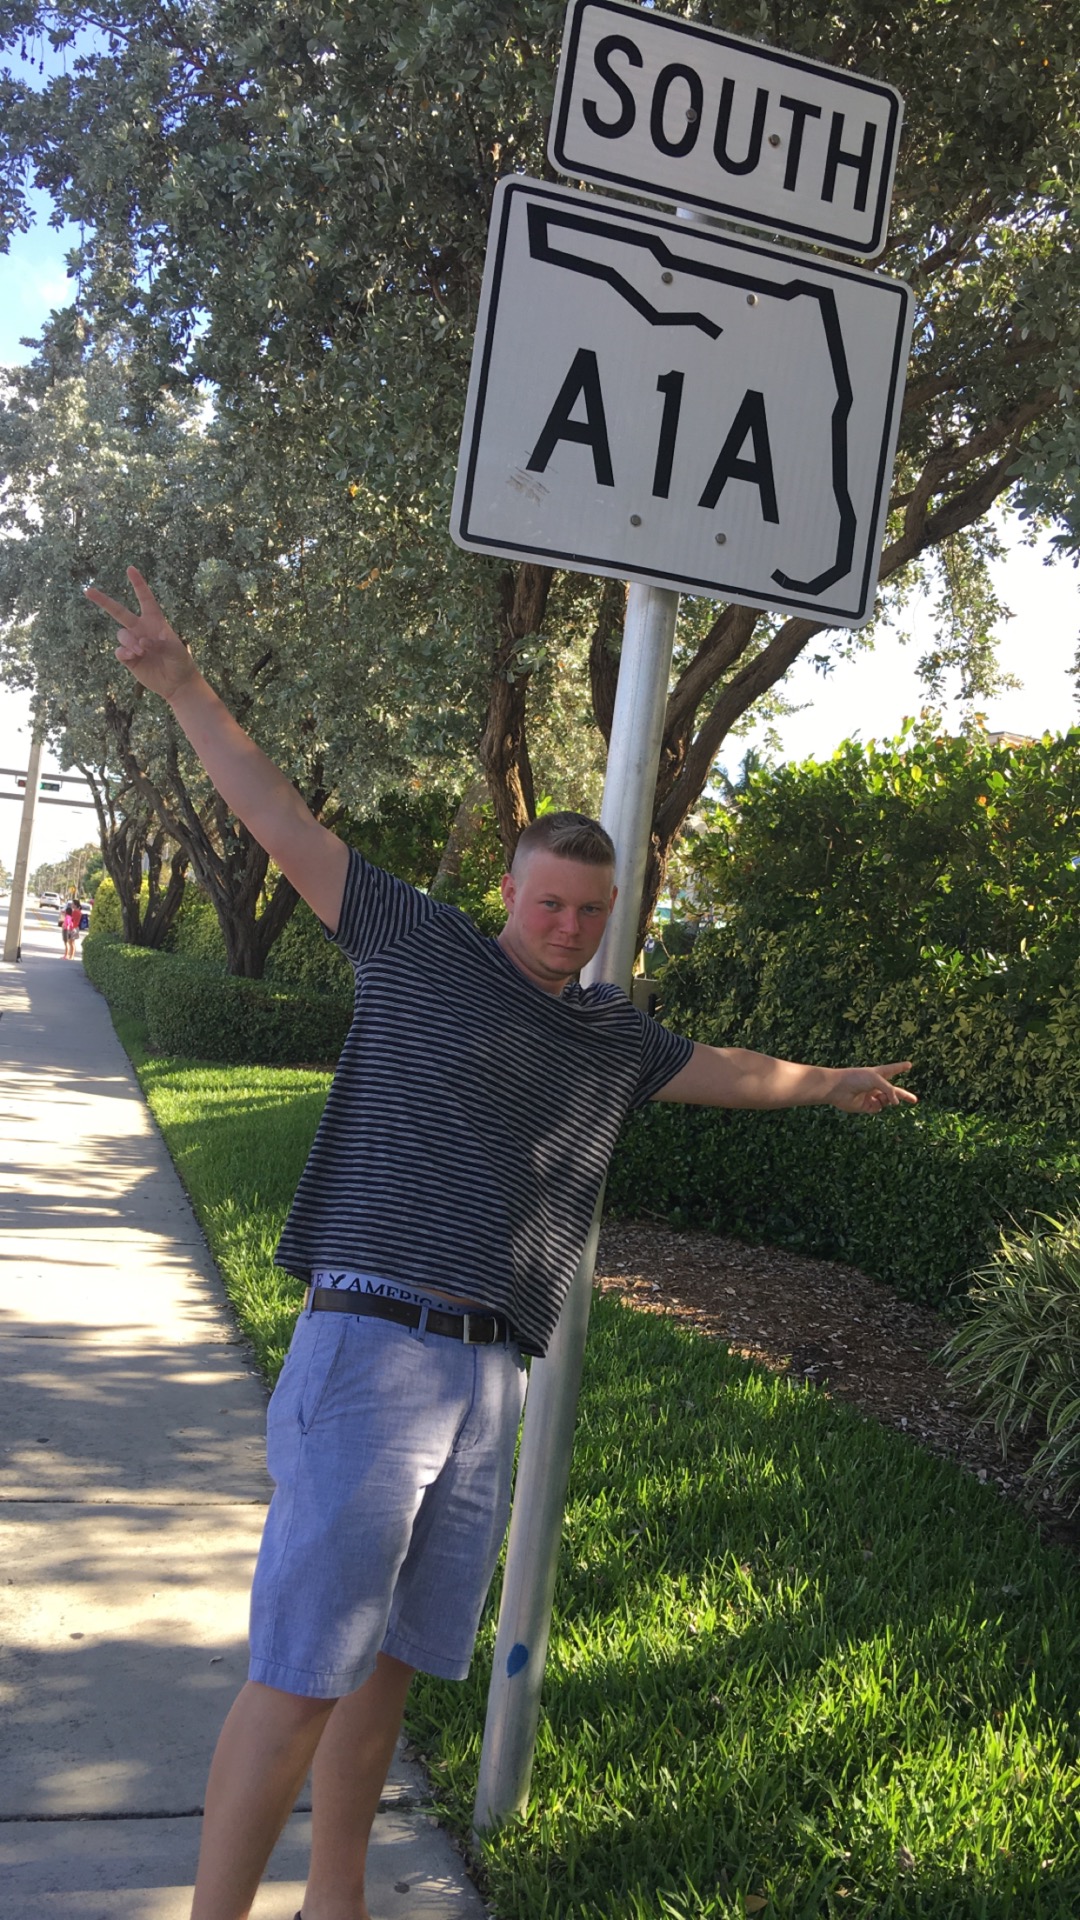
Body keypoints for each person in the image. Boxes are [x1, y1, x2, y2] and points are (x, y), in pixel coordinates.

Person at [86, 568, 916, 1920]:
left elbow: (725, 1069)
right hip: (373, 1344)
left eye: (593, 912)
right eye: (550, 904)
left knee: (391, 1673)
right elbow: (278, 816)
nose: (570, 928)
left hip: (488, 1379)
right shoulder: (418, 945)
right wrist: (180, 682)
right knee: (301, 1675)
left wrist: (834, 1083)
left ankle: (337, 1899)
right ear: (510, 891)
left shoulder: (609, 1036)